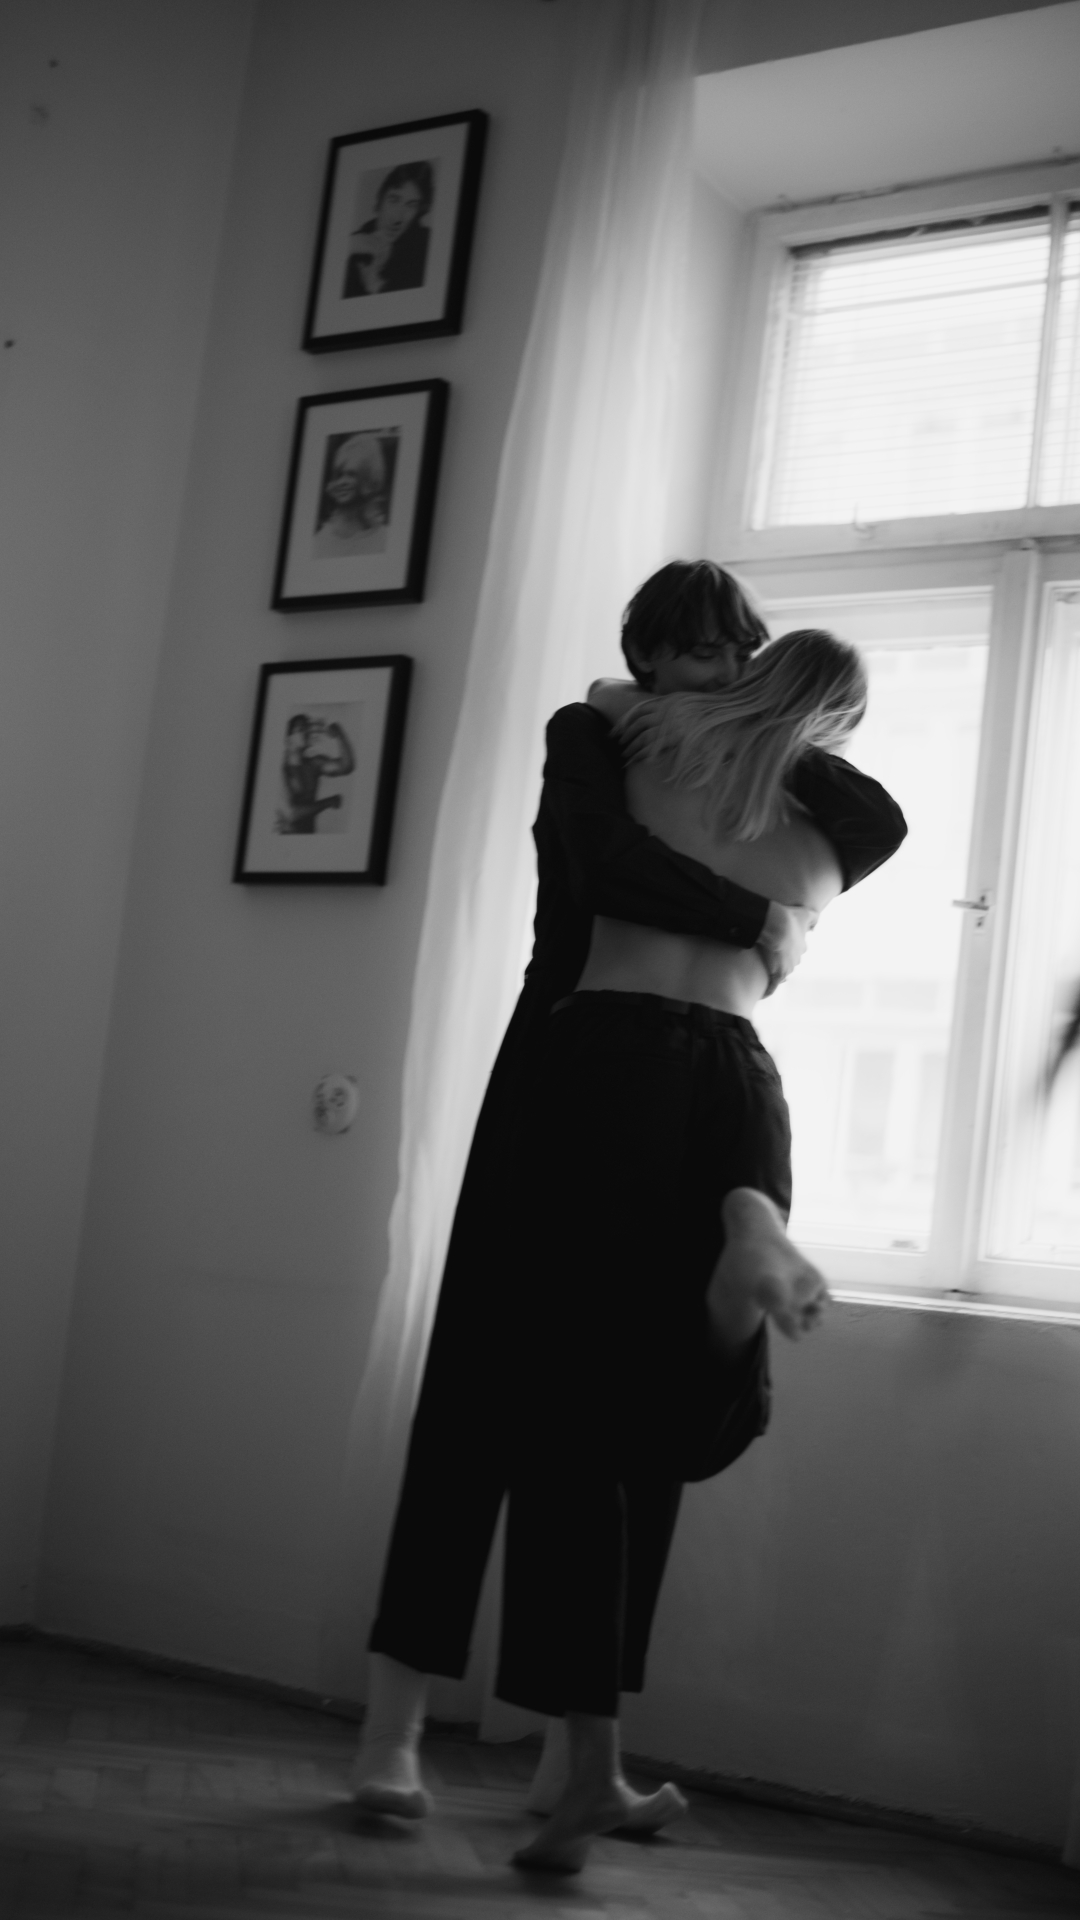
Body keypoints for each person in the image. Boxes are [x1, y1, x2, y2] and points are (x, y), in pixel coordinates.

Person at [350, 563, 905, 1865]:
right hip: (630, 1070)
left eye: (732, 655)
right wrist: (760, 915)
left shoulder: (709, 751)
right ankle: (404, 1726)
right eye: (683, 653)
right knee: (514, 1400)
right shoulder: (594, 735)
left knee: (604, 1411)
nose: (705, 674)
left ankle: (564, 1750)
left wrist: (746, 730)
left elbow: (861, 820)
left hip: (633, 1072)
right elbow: (604, 863)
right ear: (643, 654)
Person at [343, 161, 433, 298]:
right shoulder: (353, 243)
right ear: (380, 200)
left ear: (419, 211)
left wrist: (377, 286)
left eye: (411, 205)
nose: (397, 218)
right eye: (393, 200)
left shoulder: (427, 248)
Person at [313, 434, 391, 558]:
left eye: (351, 474)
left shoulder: (386, 539)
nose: (342, 482)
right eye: (339, 475)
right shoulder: (320, 540)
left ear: (368, 479)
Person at [276, 713, 355, 834]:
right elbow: (291, 814)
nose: (307, 732)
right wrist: (328, 802)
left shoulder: (314, 764)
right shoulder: (281, 770)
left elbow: (346, 766)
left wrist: (340, 734)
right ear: (287, 739)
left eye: (307, 728)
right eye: (301, 729)